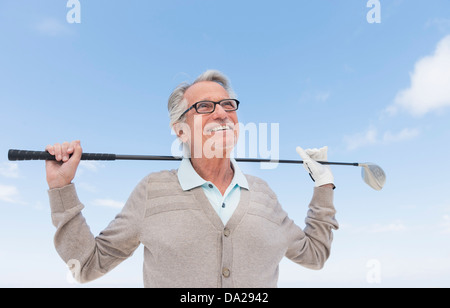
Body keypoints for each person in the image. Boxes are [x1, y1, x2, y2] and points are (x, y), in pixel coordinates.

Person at [45, 70, 339, 288]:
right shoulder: (152, 190)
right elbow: (87, 265)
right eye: (205, 107)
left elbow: (314, 255)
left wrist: (323, 184)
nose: (222, 114)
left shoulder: (264, 194)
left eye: (228, 105)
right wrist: (61, 189)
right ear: (180, 130)